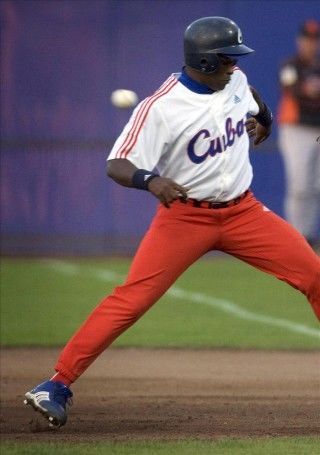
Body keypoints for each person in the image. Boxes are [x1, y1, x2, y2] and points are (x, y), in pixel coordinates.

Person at [24, 16, 320, 428]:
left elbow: (252, 97)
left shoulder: (234, 80)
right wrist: (151, 180)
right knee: (132, 299)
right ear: (205, 60)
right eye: (228, 59)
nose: (235, 65)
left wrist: (264, 122)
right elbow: (117, 164)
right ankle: (55, 384)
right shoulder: (160, 107)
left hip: (244, 211)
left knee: (314, 275)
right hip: (185, 218)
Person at [278, 19, 320, 248]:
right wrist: (310, 92)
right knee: (300, 184)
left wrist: (312, 92)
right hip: (296, 129)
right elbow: (294, 91)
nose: (311, 44)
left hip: (317, 129)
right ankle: (296, 235)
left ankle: (309, 235)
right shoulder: (290, 65)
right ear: (299, 41)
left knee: (316, 185)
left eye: (315, 40)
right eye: (307, 39)